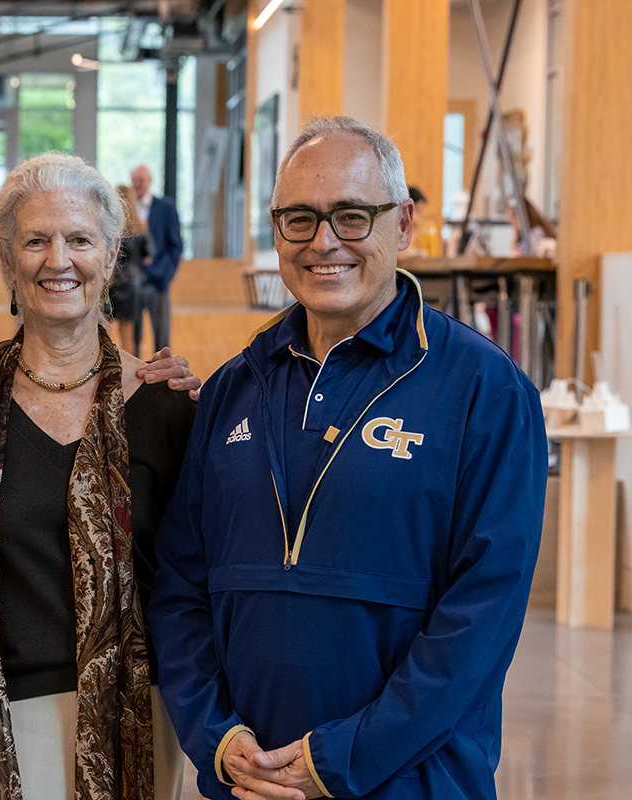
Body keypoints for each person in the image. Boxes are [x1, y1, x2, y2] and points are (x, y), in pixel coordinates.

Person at [148, 116, 546, 800]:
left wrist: (339, 757)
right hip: (247, 783)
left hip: (409, 781)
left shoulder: (483, 389)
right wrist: (218, 738)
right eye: (299, 219)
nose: (324, 242)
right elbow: (180, 587)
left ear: (404, 224)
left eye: (353, 216)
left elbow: (481, 618)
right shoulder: (231, 390)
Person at [0, 153, 199, 800]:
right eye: (35, 240)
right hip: (3, 718)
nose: (57, 259)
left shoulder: (168, 406)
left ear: (112, 254)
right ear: (8, 258)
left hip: (141, 715)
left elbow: (202, 579)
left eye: (80, 239)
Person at [130, 164, 183, 354]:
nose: (138, 183)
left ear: (149, 180)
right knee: (132, 336)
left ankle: (162, 378)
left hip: (158, 280)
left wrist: (166, 274)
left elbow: (176, 245)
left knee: (162, 337)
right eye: (135, 179)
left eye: (141, 179)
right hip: (133, 281)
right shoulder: (126, 209)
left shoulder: (165, 208)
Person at [112, 184, 152, 354]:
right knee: (128, 337)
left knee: (103, 334)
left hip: (112, 283)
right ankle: (127, 375)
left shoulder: (112, 230)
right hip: (133, 285)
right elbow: (148, 258)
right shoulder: (141, 228)